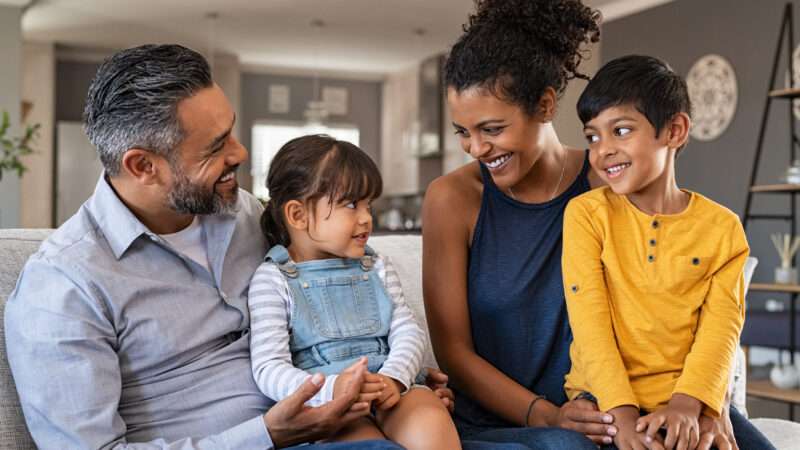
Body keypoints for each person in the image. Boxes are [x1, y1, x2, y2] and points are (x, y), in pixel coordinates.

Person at [4, 44, 410, 450]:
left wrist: (396, 383)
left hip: (343, 426)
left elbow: (332, 298)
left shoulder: (248, 216)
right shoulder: (64, 286)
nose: (240, 153)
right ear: (143, 166)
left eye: (231, 130)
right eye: (216, 147)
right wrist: (267, 435)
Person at [423, 1, 749, 449]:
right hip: (511, 421)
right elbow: (454, 354)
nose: (475, 148)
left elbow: (691, 307)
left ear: (545, 104)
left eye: (492, 128)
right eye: (462, 132)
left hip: (626, 404)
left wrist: (711, 403)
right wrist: (548, 414)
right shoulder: (451, 199)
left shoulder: (615, 180)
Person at [562, 54, 776, 450]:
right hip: (605, 400)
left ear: (674, 130)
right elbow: (590, 325)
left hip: (687, 399)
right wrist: (623, 416)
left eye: (621, 130)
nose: (603, 150)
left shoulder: (723, 228)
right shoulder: (587, 215)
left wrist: (693, 405)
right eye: (593, 136)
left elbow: (720, 331)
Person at [248, 134, 461, 449]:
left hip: (392, 387)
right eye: (351, 205)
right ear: (298, 215)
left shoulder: (376, 265)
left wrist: (395, 377)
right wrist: (332, 389)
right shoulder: (272, 280)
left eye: (368, 205)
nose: (366, 218)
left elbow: (408, 331)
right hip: (328, 405)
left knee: (430, 418)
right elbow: (269, 368)